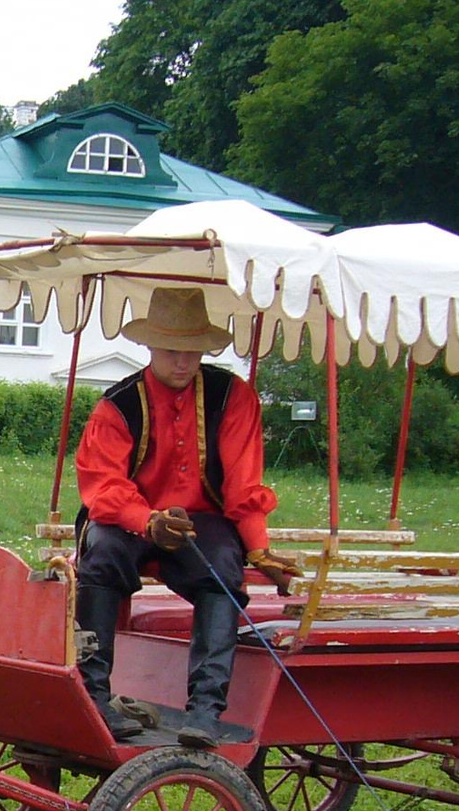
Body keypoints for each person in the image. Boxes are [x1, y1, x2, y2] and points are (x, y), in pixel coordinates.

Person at [72, 285, 300, 745]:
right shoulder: (116, 406)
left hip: (200, 522)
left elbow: (242, 481)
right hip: (130, 518)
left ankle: (205, 711)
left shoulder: (232, 397)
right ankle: (94, 699)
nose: (184, 361)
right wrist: (148, 521)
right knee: (101, 551)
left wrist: (259, 547)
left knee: (223, 566)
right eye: (174, 350)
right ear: (151, 346)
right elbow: (103, 485)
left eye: (193, 351)